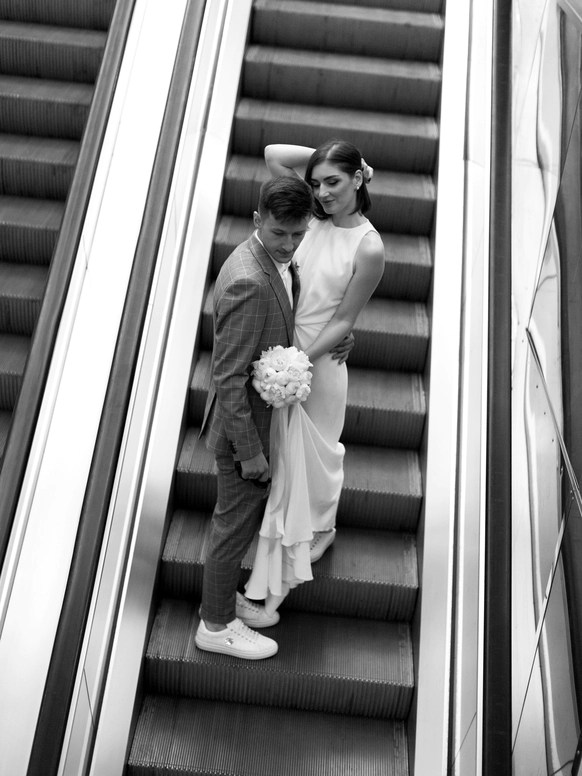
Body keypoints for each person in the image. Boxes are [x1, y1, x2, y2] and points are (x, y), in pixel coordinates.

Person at [196, 175, 352, 660]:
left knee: (239, 524)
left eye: (297, 234)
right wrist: (250, 454)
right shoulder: (248, 279)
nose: (288, 244)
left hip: (263, 422)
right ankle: (215, 625)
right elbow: (228, 377)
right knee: (232, 528)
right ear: (257, 219)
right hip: (244, 433)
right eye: (279, 232)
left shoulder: (277, 262)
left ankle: (225, 603)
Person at [244, 139, 385, 613]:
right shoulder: (312, 218)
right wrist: (337, 161)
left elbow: (344, 319)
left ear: (358, 179)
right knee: (283, 457)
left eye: (334, 182)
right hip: (281, 345)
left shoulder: (369, 247)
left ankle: (320, 530)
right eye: (316, 182)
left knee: (316, 458)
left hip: (317, 363)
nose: (323, 192)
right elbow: (273, 154)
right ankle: (282, 536)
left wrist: (297, 360)